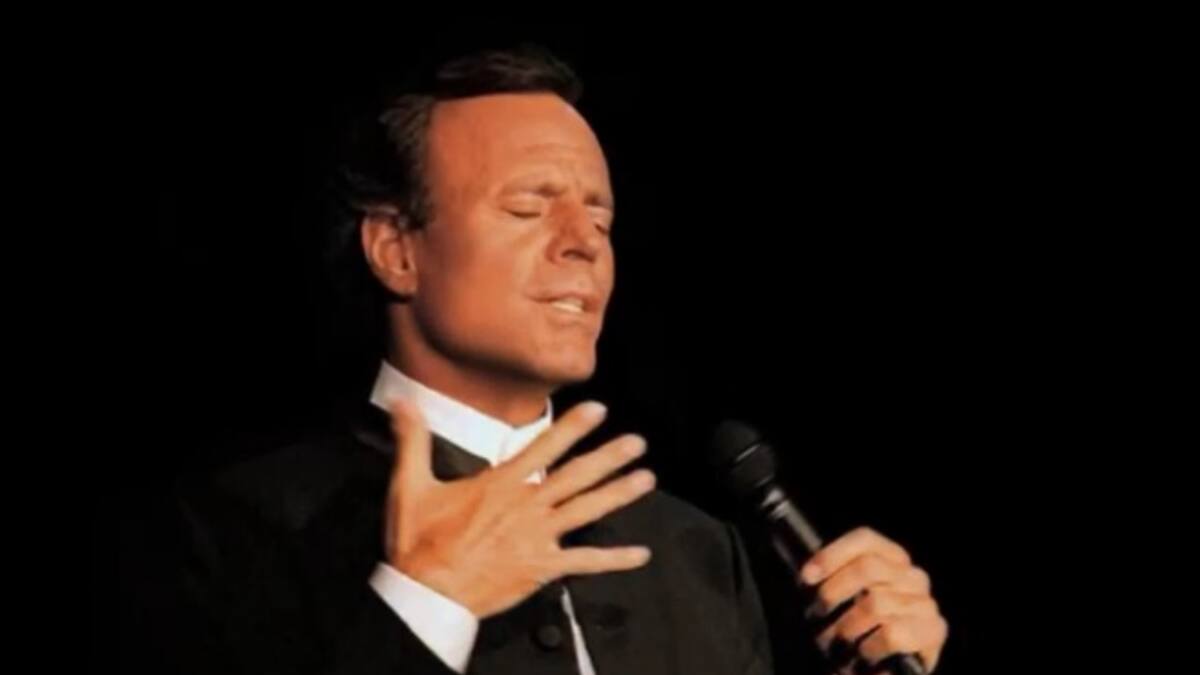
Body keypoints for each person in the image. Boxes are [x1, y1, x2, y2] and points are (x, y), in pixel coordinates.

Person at [167, 44, 948, 674]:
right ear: (397, 250)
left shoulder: (696, 552)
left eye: (601, 220)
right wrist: (426, 603)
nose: (584, 243)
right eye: (527, 207)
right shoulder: (230, 531)